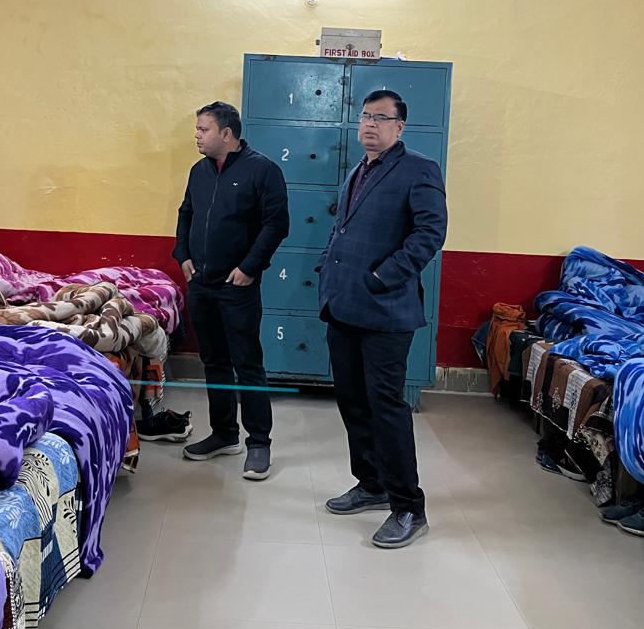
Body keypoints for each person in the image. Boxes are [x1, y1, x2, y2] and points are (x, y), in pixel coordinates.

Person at [317, 89, 448, 549]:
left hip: (386, 310)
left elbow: (430, 233)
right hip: (343, 305)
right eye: (365, 116)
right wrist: (327, 267)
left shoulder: (419, 169)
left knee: (386, 407)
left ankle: (409, 507)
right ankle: (370, 483)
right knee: (352, 401)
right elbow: (343, 228)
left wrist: (382, 276)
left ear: (400, 126)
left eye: (381, 117)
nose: (370, 124)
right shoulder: (359, 170)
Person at [173, 101, 289, 480]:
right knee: (214, 361)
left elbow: (276, 224)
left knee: (247, 364)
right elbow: (186, 213)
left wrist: (250, 267)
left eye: (203, 129)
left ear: (227, 134)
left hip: (237, 286)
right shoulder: (199, 171)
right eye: (197, 128)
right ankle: (224, 434)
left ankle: (259, 443)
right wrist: (182, 254)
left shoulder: (263, 171)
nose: (197, 135)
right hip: (202, 285)